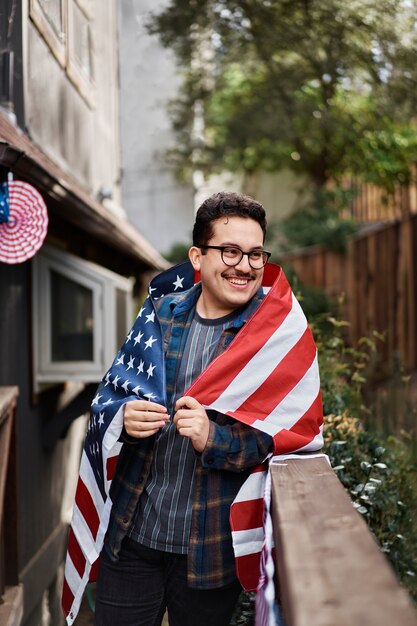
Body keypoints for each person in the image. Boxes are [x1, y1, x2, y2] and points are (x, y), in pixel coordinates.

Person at [94, 191, 275, 625]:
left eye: (255, 254)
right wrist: (123, 417)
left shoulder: (272, 334)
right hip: (133, 536)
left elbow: (285, 437)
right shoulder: (160, 315)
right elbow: (110, 397)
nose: (245, 265)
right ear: (198, 256)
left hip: (211, 550)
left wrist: (214, 438)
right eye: (230, 251)